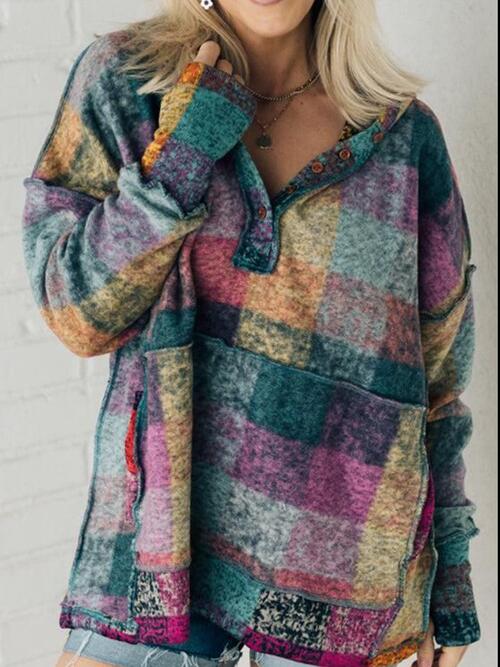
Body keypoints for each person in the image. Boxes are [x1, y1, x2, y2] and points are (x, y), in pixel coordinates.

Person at [21, 1, 481, 666]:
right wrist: (181, 155)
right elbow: (77, 314)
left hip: (341, 574)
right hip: (164, 541)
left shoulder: (406, 139)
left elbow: (439, 384)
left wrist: (452, 577)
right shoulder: (131, 83)